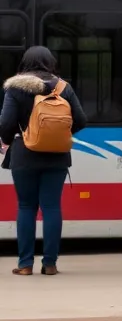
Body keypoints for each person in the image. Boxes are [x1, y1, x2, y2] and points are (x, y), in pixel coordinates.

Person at [0, 47, 88, 276]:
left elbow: (6, 123)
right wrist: (59, 135)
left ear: (25, 63)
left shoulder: (15, 88)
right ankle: (50, 264)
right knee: (51, 206)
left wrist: (9, 140)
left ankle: (25, 264)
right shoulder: (63, 87)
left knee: (26, 207)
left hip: (24, 155)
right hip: (57, 156)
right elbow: (81, 120)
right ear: (51, 62)